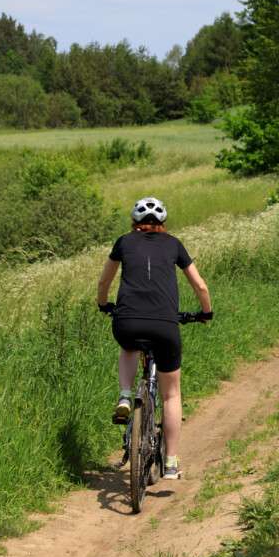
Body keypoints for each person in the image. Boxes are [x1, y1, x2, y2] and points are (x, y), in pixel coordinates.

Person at [96, 196, 212, 480]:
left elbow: (104, 281)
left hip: (127, 321)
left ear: (134, 222)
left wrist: (103, 304)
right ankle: (170, 462)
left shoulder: (123, 242)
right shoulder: (174, 244)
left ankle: (125, 395)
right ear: (163, 222)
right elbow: (200, 286)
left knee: (128, 346)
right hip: (165, 326)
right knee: (171, 394)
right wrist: (205, 312)